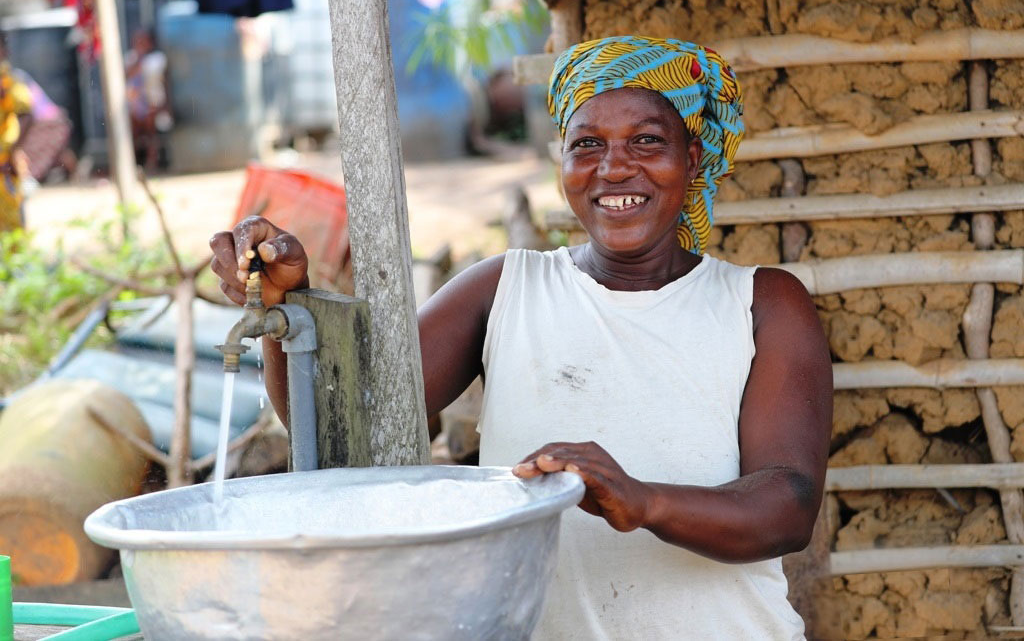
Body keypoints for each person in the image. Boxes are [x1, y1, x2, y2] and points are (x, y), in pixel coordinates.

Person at [210, 36, 832, 640]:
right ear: (561, 160)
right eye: (586, 144)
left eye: (647, 141)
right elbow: (349, 429)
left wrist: (643, 501)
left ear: (691, 161)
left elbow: (788, 504)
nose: (614, 167)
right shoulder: (504, 289)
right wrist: (282, 307)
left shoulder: (762, 304)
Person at [125, 29, 172, 172]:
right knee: (132, 132)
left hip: (153, 102)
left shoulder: (157, 59)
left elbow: (163, 82)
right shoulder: (131, 58)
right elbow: (126, 75)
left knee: (151, 132)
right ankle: (131, 165)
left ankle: (153, 163)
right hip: (134, 103)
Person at [0, 31, 33, 232]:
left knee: (12, 224)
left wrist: (14, 148)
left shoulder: (9, 80)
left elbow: (27, 114)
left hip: (4, 162)